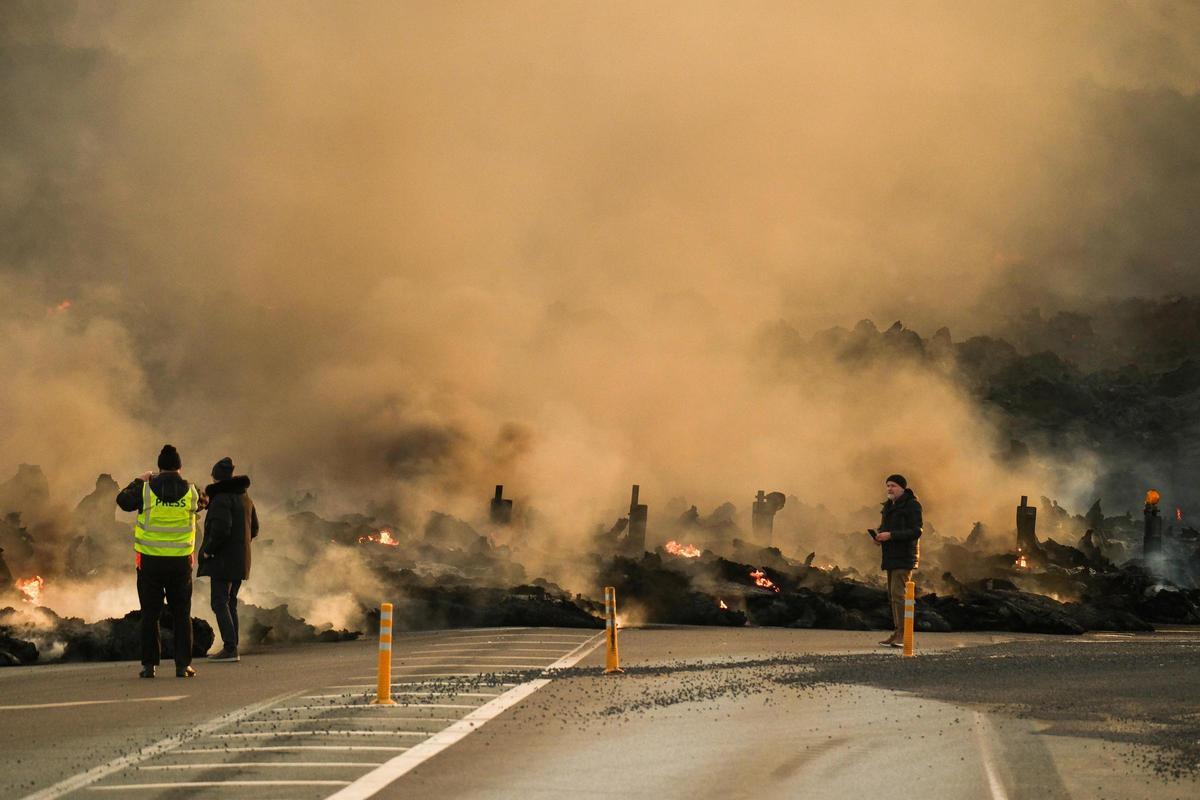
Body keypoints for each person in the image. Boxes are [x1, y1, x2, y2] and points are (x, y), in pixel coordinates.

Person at [116, 444, 201, 678]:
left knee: (150, 614)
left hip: (150, 563)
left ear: (158, 467)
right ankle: (183, 665)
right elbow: (204, 502)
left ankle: (149, 665)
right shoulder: (192, 491)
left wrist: (138, 480)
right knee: (182, 614)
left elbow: (122, 501)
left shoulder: (145, 490)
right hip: (180, 563)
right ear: (180, 467)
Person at [197, 457, 258, 662]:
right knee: (230, 602)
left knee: (219, 601)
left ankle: (230, 648)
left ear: (215, 478)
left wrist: (208, 551)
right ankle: (233, 646)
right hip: (240, 558)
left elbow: (221, 529)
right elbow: (255, 528)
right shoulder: (245, 498)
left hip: (223, 560)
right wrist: (240, 545)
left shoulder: (222, 498)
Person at [873, 473, 922, 648]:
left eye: (893, 485)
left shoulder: (912, 505)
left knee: (899, 594)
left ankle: (904, 634)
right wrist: (879, 536)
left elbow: (917, 531)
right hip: (890, 556)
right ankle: (897, 632)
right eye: (887, 486)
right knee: (892, 595)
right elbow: (885, 527)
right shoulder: (888, 506)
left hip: (905, 556)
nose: (889, 489)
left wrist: (891, 535)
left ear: (902, 487)